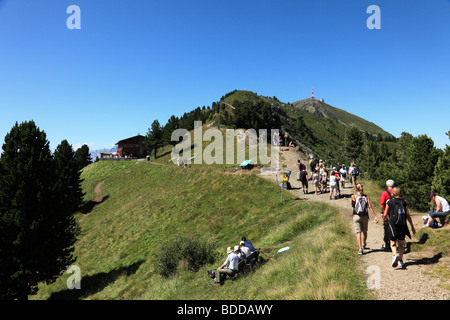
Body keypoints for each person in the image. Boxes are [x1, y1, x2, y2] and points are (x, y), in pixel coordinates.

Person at [383, 187, 416, 268]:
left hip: (393, 224)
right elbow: (408, 215)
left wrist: (384, 221)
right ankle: (401, 260)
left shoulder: (389, 202)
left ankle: (395, 255)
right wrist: (412, 226)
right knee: (401, 243)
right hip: (402, 224)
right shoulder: (404, 202)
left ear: (393, 193)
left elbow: (385, 214)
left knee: (393, 242)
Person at [351, 184, 379, 254]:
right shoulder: (366, 196)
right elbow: (370, 207)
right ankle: (364, 243)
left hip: (356, 216)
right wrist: (375, 216)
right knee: (365, 231)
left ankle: (360, 249)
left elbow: (353, 205)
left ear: (356, 189)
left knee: (358, 232)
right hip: (365, 216)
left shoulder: (353, 196)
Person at [380, 179, 395, 251]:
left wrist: (382, 212)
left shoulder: (384, 193)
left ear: (387, 185)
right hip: (396, 215)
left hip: (388, 215)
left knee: (387, 229)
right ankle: (401, 244)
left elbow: (382, 203)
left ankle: (387, 244)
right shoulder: (397, 192)